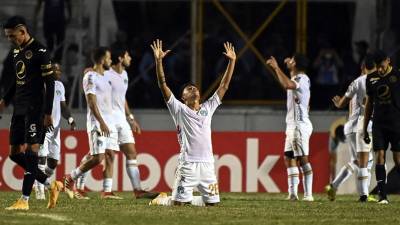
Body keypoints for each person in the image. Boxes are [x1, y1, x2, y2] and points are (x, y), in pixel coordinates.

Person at [149, 40, 236, 206]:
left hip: (207, 165)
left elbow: (224, 86)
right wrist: (159, 61)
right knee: (178, 204)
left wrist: (232, 61)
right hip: (188, 164)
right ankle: (163, 200)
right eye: (188, 89)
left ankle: (181, 198)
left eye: (195, 88)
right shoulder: (178, 109)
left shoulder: (208, 107)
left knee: (213, 205)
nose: (193, 89)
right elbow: (162, 84)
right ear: (183, 98)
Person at [74, 48, 158, 199]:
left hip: (121, 120)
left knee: (131, 152)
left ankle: (137, 190)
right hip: (107, 119)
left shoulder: (124, 75)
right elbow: (92, 74)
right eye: (127, 55)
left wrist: (130, 118)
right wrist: (87, 70)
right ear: (120, 58)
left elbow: (122, 97)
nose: (130, 58)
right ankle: (79, 186)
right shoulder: (106, 73)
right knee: (98, 155)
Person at [0, 16, 63, 210]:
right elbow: (17, 80)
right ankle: (50, 183)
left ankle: (24, 200)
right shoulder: (17, 51)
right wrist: (5, 100)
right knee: (14, 154)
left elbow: (50, 83)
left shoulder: (40, 51)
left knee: (31, 152)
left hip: (35, 109)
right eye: (8, 37)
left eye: (12, 36)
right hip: (19, 108)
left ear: (22, 31)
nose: (10, 39)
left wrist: (47, 112)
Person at [63, 47, 119, 199]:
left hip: (110, 121)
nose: (111, 60)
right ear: (101, 59)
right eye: (108, 58)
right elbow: (91, 102)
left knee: (109, 155)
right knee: (97, 157)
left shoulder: (106, 75)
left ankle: (107, 191)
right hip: (97, 122)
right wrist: (101, 122)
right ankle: (70, 178)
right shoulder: (90, 76)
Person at [326, 55, 376, 202]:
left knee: (357, 161)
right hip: (363, 124)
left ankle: (334, 186)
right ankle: (364, 195)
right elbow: (369, 102)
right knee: (367, 160)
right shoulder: (373, 82)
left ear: (362, 67)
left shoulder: (355, 83)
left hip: (350, 126)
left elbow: (342, 103)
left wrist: (337, 103)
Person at [266, 54, 314, 201]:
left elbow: (288, 85)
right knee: (289, 157)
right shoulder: (299, 78)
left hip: (298, 125)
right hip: (293, 124)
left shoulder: (301, 79)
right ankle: (293, 194)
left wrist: (276, 68)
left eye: (292, 59)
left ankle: (308, 195)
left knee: (302, 159)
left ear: (296, 64)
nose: (289, 60)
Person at [34, 63, 76, 200]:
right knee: (42, 157)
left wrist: (70, 119)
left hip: (56, 130)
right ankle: (40, 190)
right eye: (55, 69)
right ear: (49, 71)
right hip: (44, 127)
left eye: (59, 69)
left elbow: (63, 106)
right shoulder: (41, 85)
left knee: (52, 163)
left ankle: (38, 180)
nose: (58, 72)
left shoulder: (59, 86)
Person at [363, 50, 400, 204]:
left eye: (381, 65)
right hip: (378, 124)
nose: (379, 69)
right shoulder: (371, 79)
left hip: (396, 123)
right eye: (377, 66)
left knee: (398, 160)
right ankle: (382, 196)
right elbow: (369, 104)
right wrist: (365, 127)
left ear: (388, 60)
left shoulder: (398, 76)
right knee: (380, 156)